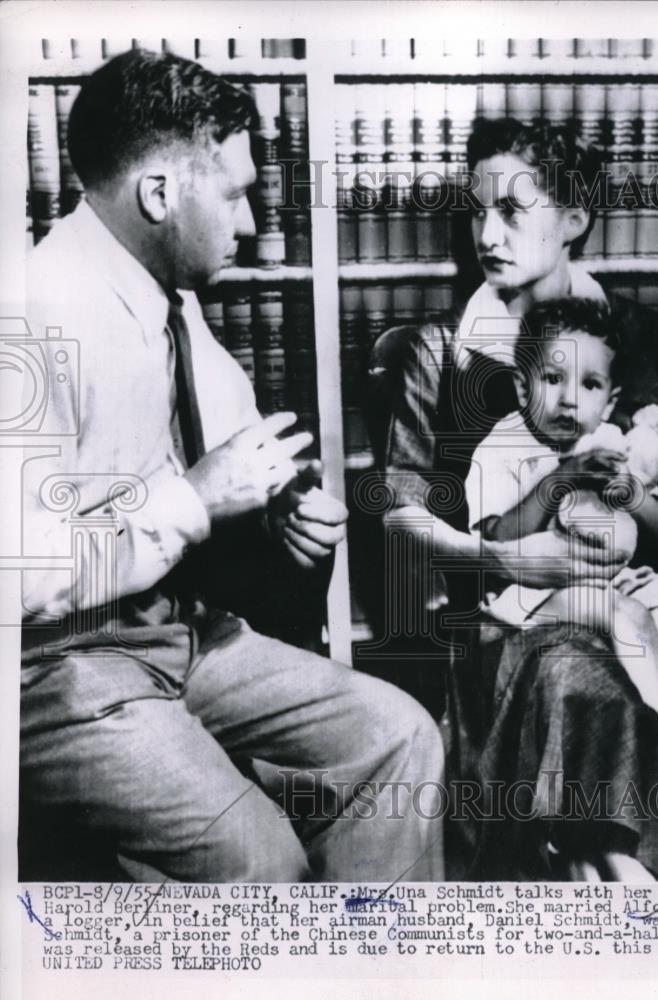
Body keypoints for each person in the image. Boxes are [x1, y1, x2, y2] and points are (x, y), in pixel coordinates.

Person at [20, 49, 444, 883]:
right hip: (52, 670)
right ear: (159, 195)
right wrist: (195, 499)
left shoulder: (165, 299)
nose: (250, 224)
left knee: (400, 740)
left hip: (177, 635)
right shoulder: (32, 317)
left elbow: (228, 428)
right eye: (235, 192)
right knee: (259, 861)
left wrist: (281, 502)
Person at [383, 118, 658, 879]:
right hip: (508, 591)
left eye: (512, 212)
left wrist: (642, 471)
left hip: (645, 571)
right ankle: (616, 860)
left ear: (574, 221)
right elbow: (403, 517)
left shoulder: (632, 334)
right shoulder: (433, 354)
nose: (486, 234)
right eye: (477, 210)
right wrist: (501, 553)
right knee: (578, 674)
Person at [466, 298, 658, 847]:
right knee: (630, 619)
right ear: (520, 388)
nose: (566, 398)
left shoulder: (614, 446)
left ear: (609, 399)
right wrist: (563, 474)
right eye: (551, 378)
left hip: (608, 577)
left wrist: (627, 490)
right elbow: (497, 542)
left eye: (588, 385)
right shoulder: (504, 446)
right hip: (532, 587)